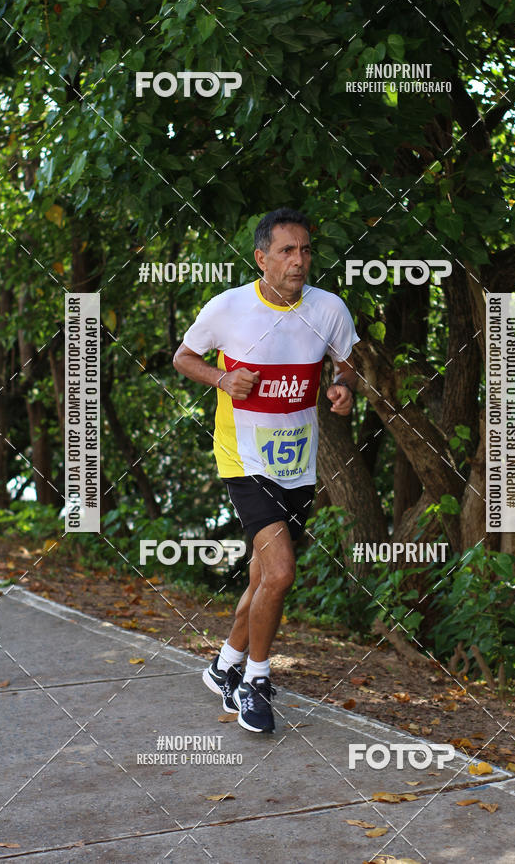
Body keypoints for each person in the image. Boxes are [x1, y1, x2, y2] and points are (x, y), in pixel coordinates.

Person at [173, 208, 359, 733]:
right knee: (280, 573)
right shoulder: (229, 308)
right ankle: (255, 681)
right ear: (262, 258)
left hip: (298, 464)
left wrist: (343, 385)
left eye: (304, 251)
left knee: (261, 579)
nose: (298, 261)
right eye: (286, 251)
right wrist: (220, 379)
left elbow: (348, 360)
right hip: (244, 460)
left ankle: (223, 665)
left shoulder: (328, 309)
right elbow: (183, 357)